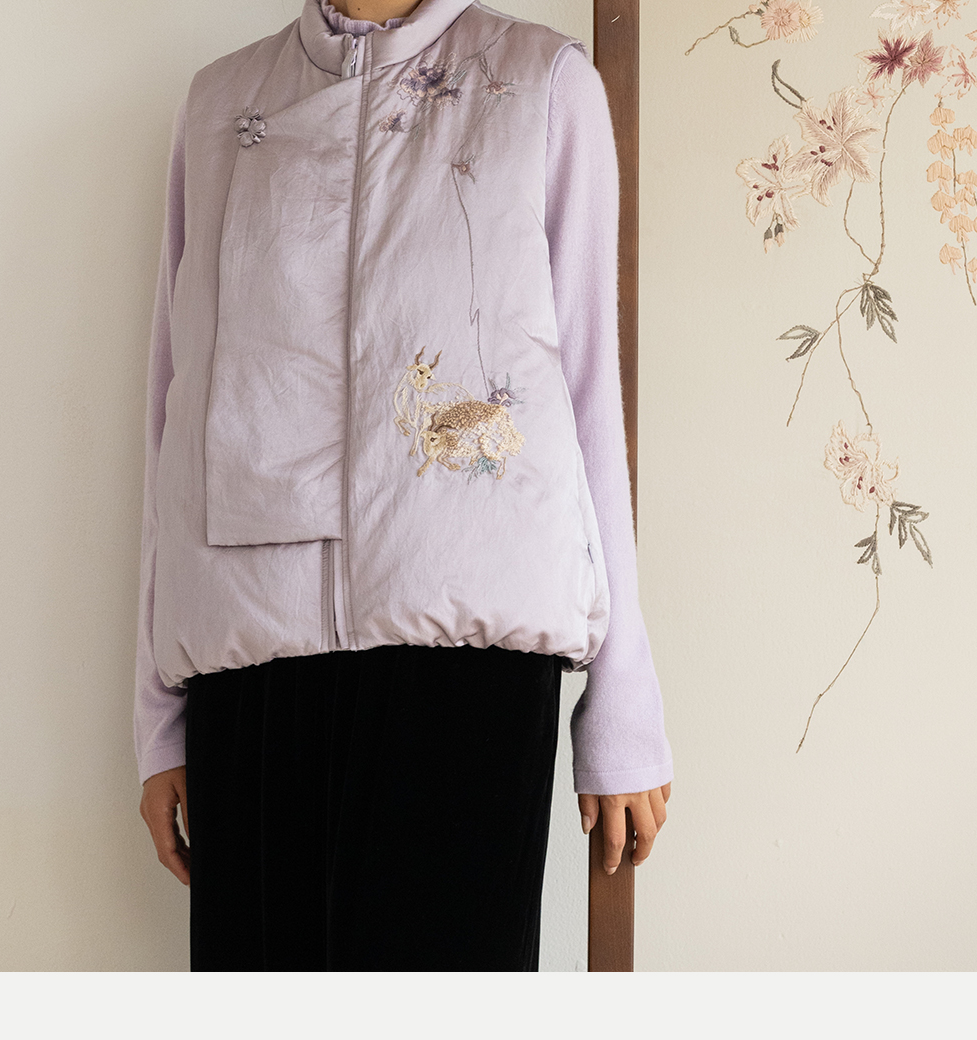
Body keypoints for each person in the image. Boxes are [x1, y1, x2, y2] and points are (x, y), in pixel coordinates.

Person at [136, 0, 673, 970]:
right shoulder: (220, 106)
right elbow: (176, 411)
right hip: (249, 667)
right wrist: (158, 720)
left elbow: (590, 395)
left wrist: (622, 702)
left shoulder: (542, 84)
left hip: (469, 666)